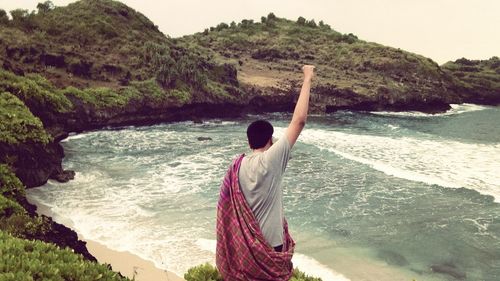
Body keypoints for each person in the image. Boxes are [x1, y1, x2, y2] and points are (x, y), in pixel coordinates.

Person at [216, 65, 315, 281]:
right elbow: (299, 121)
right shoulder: (271, 160)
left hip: (245, 251)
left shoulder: (237, 166)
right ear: (270, 140)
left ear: (249, 141)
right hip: (271, 247)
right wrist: (307, 77)